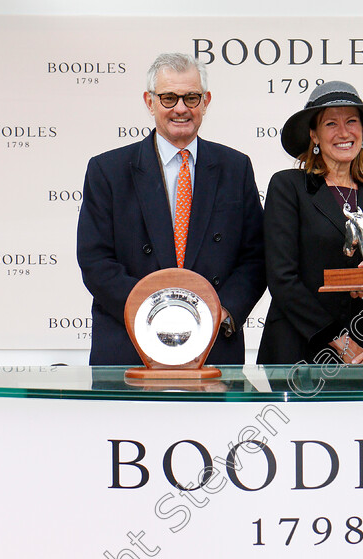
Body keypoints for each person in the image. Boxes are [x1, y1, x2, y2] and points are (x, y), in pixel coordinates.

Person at [77, 53, 265, 365]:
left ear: (205, 101)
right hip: (129, 347)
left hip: (213, 348)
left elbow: (255, 258)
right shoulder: (107, 170)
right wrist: (157, 312)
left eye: (191, 97)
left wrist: (222, 312)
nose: (180, 108)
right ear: (149, 102)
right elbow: (95, 260)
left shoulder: (236, 167)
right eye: (168, 98)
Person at [257, 81, 363, 365]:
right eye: (330, 124)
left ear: (362, 132)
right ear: (313, 135)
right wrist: (341, 342)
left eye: (351, 121)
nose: (343, 132)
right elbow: (282, 279)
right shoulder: (288, 187)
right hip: (300, 353)